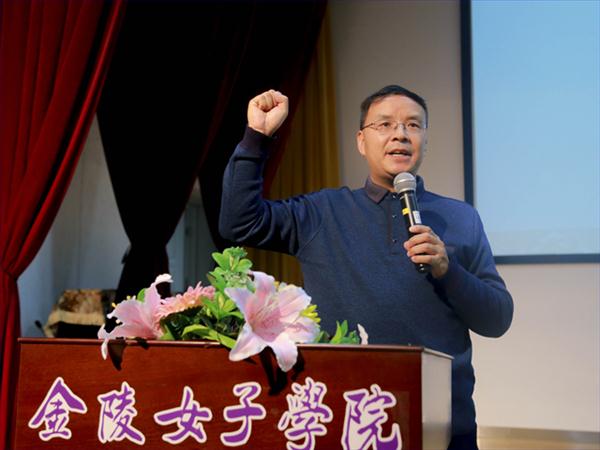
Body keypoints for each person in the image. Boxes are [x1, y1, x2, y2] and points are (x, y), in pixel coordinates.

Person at [219, 85, 514, 450]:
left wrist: (447, 269)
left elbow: (497, 318)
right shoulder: (321, 212)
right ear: (361, 141)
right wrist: (257, 137)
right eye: (384, 124)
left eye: (413, 125)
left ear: (425, 140)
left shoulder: (460, 218)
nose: (400, 134)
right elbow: (239, 223)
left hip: (440, 426)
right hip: (343, 420)